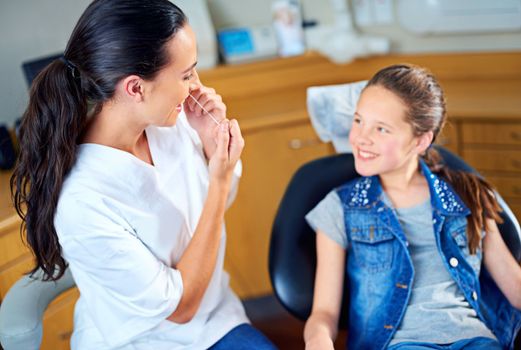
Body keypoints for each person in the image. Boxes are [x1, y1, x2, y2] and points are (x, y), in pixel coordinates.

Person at [10, 1, 277, 349]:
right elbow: (179, 308)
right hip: (143, 338)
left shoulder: (173, 121)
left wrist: (212, 146)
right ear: (136, 88)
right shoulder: (82, 200)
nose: (196, 86)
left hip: (214, 319)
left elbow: (217, 206)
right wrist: (219, 178)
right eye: (186, 75)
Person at [303, 64, 521, 350]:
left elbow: (514, 286)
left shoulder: (469, 194)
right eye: (358, 120)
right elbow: (324, 313)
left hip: (475, 339)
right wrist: (318, 340)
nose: (361, 137)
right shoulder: (341, 208)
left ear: (420, 140)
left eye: (381, 128)